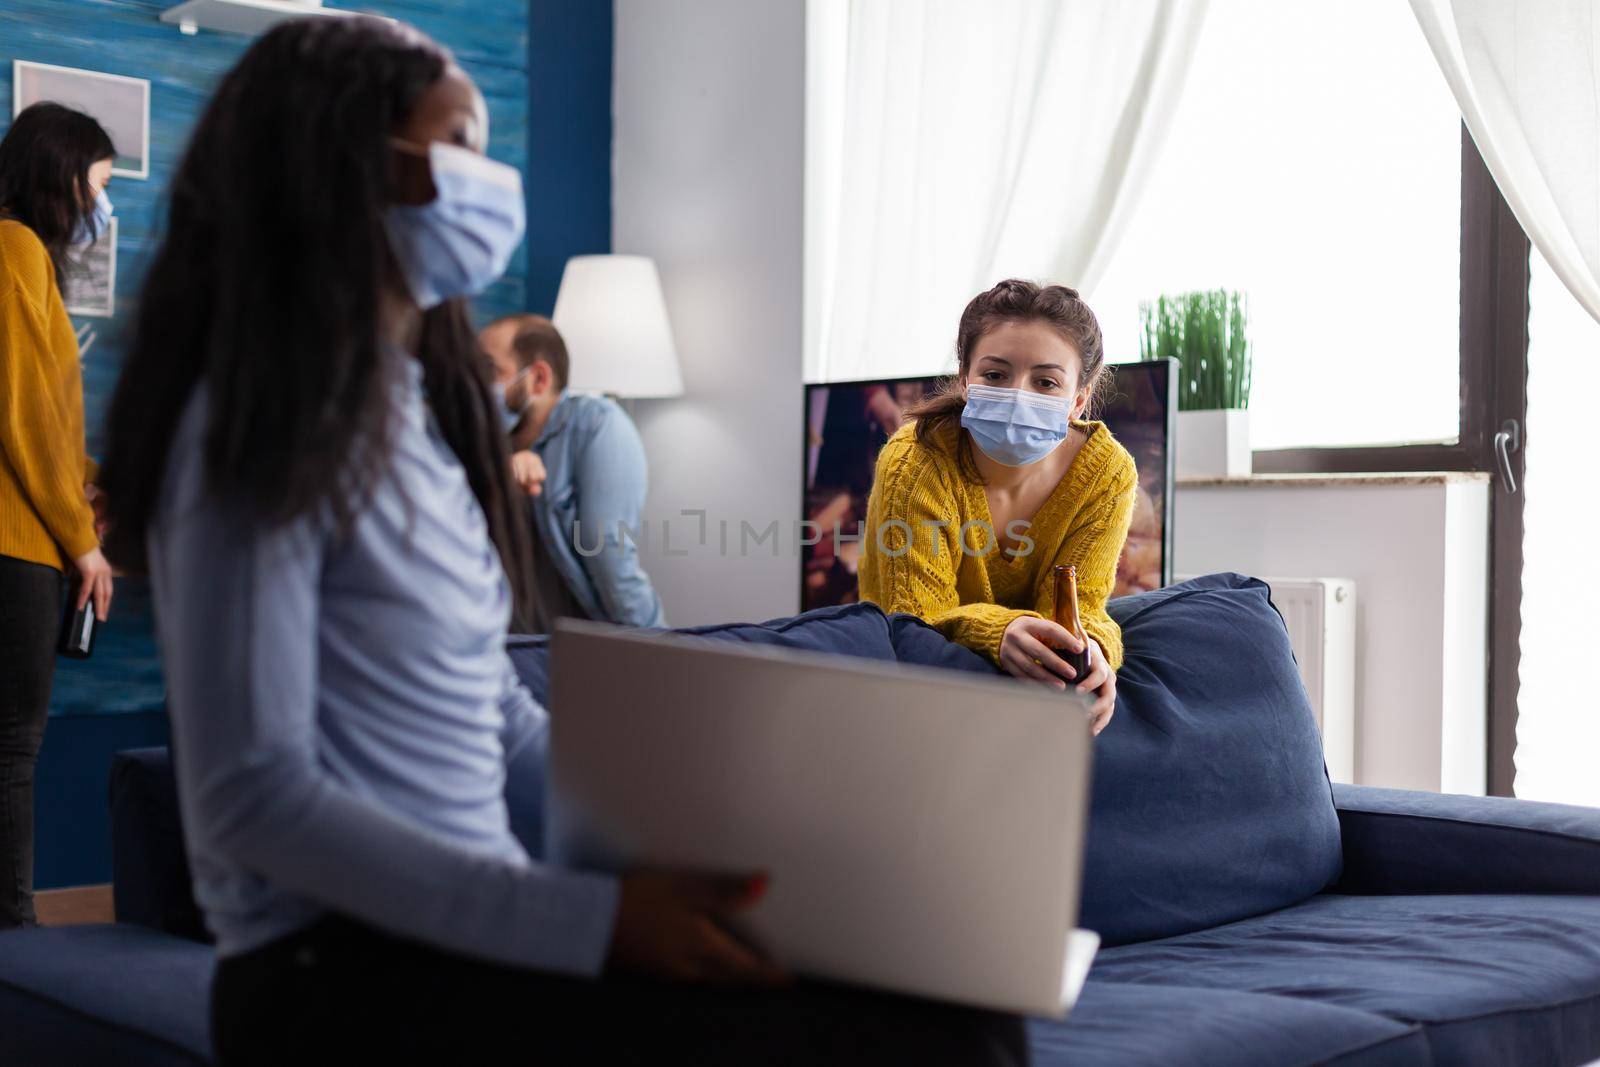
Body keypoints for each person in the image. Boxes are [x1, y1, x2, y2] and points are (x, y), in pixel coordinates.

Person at [96, 18, 1025, 1066]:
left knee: (946, 991)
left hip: (462, 940)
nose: (490, 185)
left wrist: (728, 829)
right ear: (345, 161)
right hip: (339, 974)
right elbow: (255, 797)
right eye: (461, 148)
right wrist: (591, 920)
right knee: (931, 1035)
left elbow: (488, 708)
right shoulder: (251, 420)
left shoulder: (401, 417)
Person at [858, 280, 1137, 735]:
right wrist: (1001, 633)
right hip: (912, 671)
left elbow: (1079, 605)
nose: (1017, 395)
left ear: (1078, 400)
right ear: (965, 379)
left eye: (1046, 382)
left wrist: (1097, 653)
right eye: (995, 375)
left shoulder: (1107, 473)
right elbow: (911, 615)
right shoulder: (914, 460)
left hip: (1033, 676)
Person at [0, 102, 117, 929]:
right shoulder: (12, 247)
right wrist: (84, 545)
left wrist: (97, 481)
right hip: (16, 546)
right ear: (57, 173)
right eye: (97, 189)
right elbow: (23, 416)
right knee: (13, 746)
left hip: (22, 531)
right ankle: (15, 935)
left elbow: (43, 419)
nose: (100, 211)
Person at [479, 313, 665, 629]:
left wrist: (662, 652)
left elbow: (610, 558)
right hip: (506, 647)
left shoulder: (597, 424)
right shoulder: (481, 440)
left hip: (586, 646)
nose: (477, 384)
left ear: (538, 379)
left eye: (490, 370)